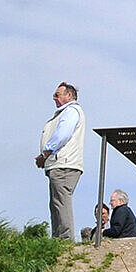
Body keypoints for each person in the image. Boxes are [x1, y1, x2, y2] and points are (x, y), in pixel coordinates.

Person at [36, 82, 85, 241]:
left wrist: (45, 154)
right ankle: (58, 239)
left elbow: (62, 135)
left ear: (69, 95)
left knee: (61, 203)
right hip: (60, 163)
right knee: (57, 203)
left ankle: (64, 240)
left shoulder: (71, 111)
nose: (54, 98)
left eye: (57, 95)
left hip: (64, 164)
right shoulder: (66, 112)